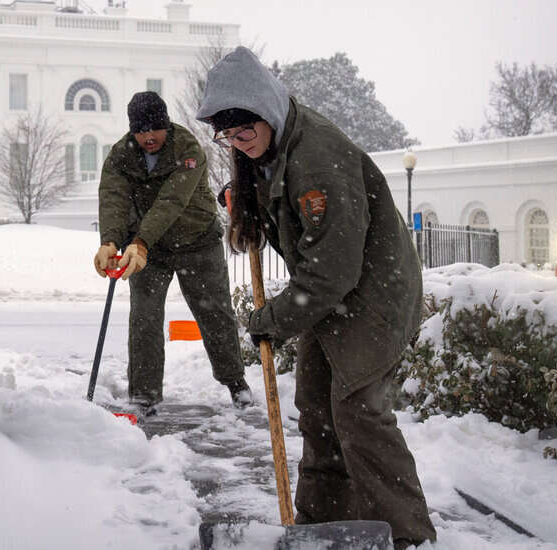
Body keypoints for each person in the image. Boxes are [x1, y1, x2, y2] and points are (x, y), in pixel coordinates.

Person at [196, 46, 436, 549]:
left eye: (244, 131)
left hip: (372, 297)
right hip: (332, 295)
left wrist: (271, 320)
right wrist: (242, 200)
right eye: (228, 135)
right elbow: (285, 217)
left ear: (265, 112)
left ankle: (410, 538)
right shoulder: (274, 144)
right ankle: (321, 527)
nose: (238, 143)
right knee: (316, 407)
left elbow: (332, 274)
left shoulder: (317, 162)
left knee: (358, 412)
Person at [93, 90, 252, 413]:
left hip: (197, 241)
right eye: (140, 130)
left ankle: (236, 382)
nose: (148, 137)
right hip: (149, 251)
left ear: (166, 124)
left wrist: (139, 241)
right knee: (144, 318)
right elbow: (113, 197)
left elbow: (172, 201)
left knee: (215, 314)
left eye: (155, 129)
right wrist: (110, 241)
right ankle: (144, 394)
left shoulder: (188, 148)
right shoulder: (121, 155)